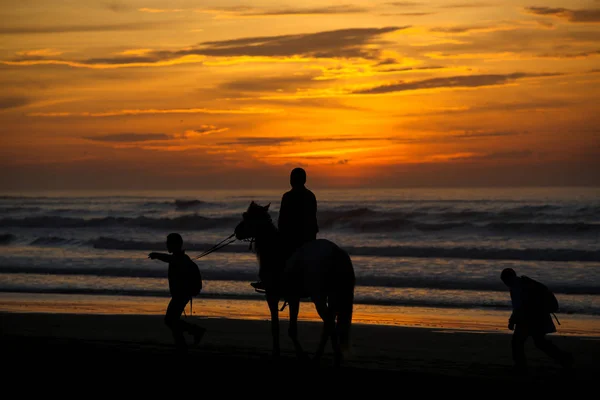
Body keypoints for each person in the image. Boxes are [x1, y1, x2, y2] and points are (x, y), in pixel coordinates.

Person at [251, 167, 319, 291]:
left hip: (293, 238)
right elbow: (312, 218)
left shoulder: (288, 196)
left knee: (273, 255)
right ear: (304, 180)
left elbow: (283, 220)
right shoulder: (311, 195)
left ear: (292, 180)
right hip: (310, 237)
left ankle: (268, 282)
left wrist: (281, 233)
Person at [500, 268, 573, 374]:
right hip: (538, 318)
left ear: (507, 279)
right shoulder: (525, 283)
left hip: (529, 319)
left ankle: (520, 366)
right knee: (539, 342)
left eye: (505, 281)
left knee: (518, 342)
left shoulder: (517, 287)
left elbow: (519, 307)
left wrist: (512, 321)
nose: (506, 284)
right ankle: (564, 358)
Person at [148, 232, 206, 354]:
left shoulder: (179, 259)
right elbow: (171, 260)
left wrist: (156, 255)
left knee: (169, 320)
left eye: (168, 243)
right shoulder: (180, 258)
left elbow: (170, 259)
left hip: (181, 295)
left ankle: (195, 331)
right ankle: (181, 345)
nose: (166, 245)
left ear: (175, 245)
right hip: (181, 294)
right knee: (173, 320)